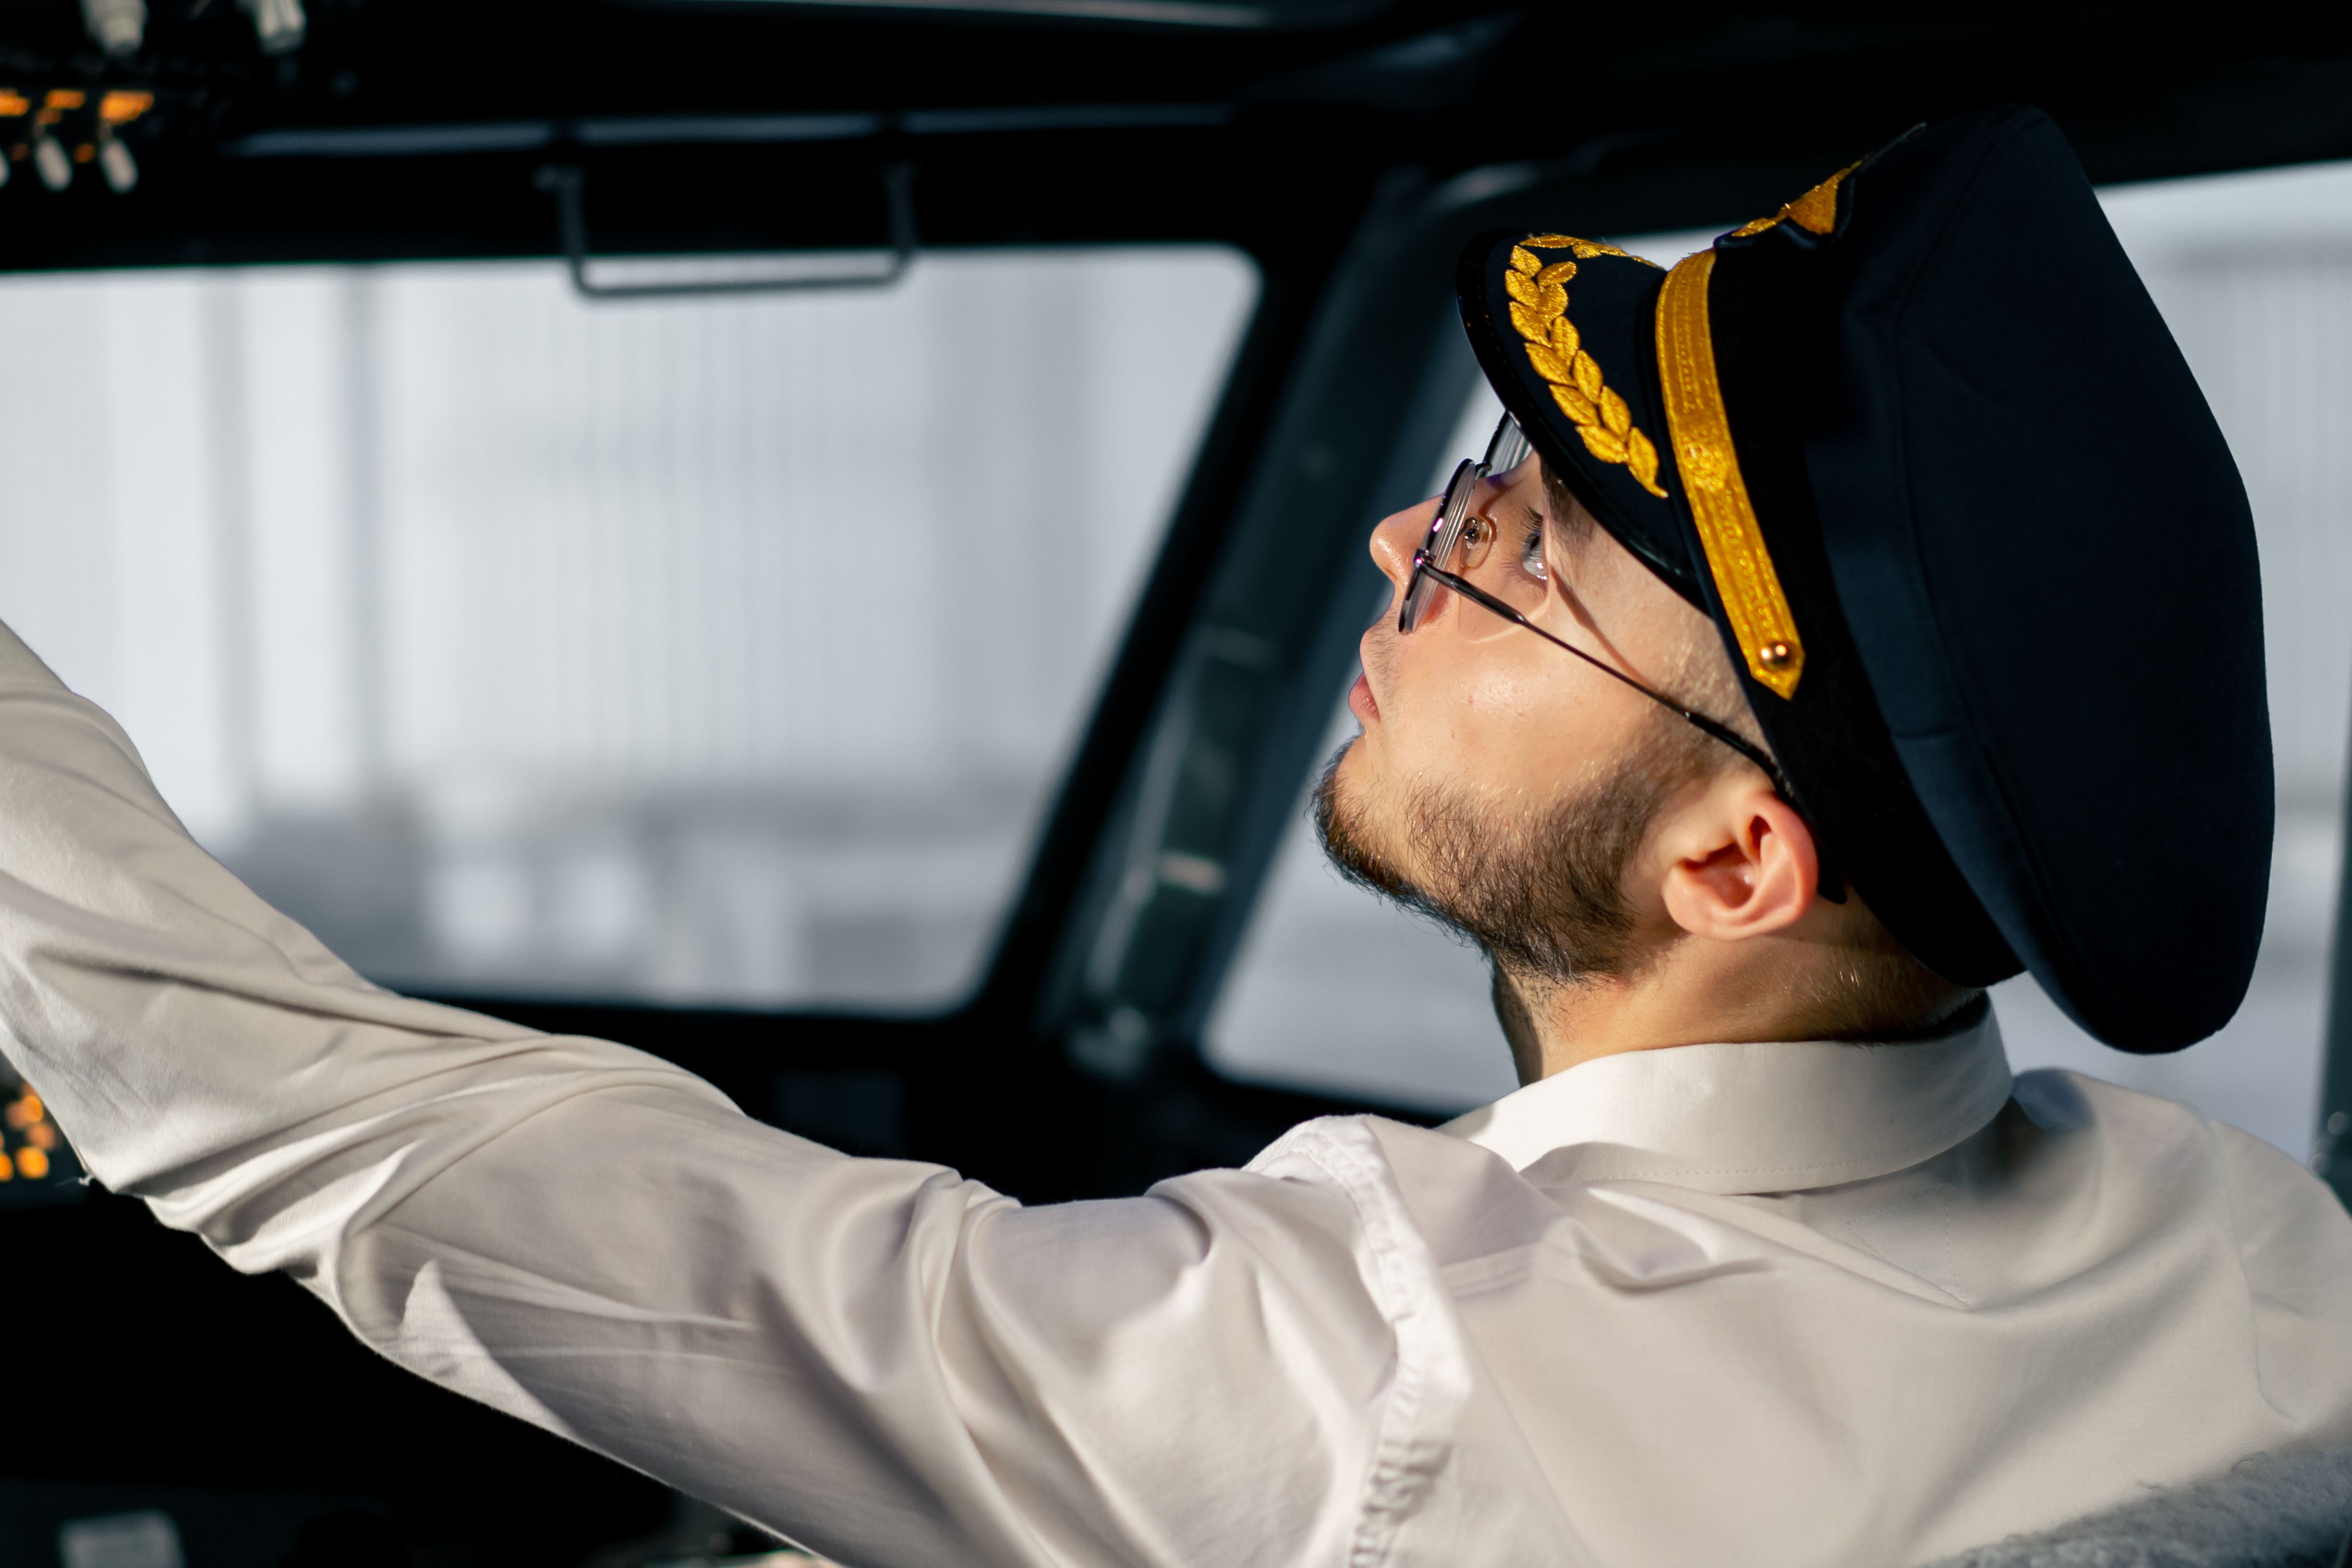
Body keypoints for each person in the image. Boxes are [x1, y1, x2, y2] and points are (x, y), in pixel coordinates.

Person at [2, 104, 2347, 1568]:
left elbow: (322, 1131)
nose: (1391, 552)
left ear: (1733, 864)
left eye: (1508, 558)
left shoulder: (1390, 1388)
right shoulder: (2260, 1272)